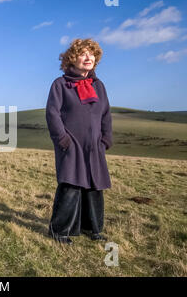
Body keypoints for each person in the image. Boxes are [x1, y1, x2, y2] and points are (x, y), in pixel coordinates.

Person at [45, 38, 113, 245]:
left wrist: (105, 140)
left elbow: (106, 115)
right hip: (71, 145)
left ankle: (92, 228)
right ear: (72, 59)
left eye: (91, 54)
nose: (88, 57)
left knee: (94, 186)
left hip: (94, 146)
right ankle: (59, 231)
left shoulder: (98, 86)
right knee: (70, 185)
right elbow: (52, 114)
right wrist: (63, 140)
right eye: (83, 53)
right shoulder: (60, 85)